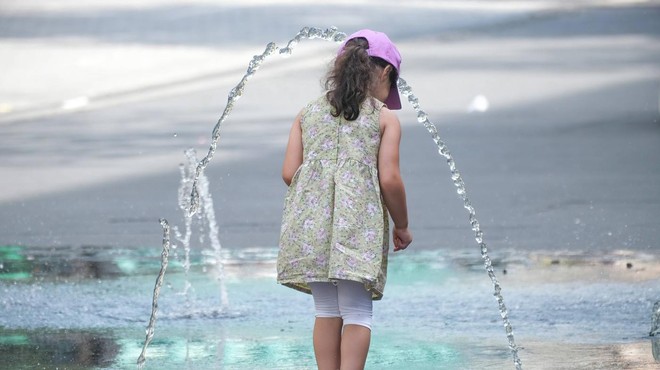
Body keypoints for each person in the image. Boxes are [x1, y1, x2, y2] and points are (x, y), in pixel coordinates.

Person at [277, 29, 412, 370]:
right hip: (356, 227)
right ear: (384, 73)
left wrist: (321, 192)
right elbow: (390, 179)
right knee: (357, 310)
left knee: (325, 310)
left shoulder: (307, 113)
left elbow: (290, 172)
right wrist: (402, 225)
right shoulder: (384, 119)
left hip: (311, 223)